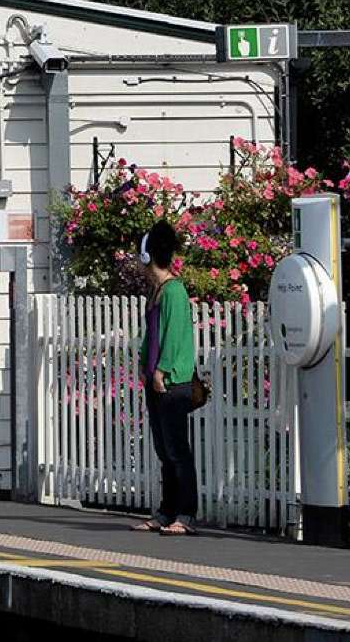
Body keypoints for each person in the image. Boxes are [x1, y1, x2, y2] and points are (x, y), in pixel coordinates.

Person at [134, 221, 200, 535]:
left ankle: (185, 514)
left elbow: (173, 335)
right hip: (157, 379)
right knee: (164, 450)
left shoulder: (173, 290)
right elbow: (152, 334)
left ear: (148, 256)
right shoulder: (158, 291)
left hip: (172, 381)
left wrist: (161, 370)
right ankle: (166, 511)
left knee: (177, 450)